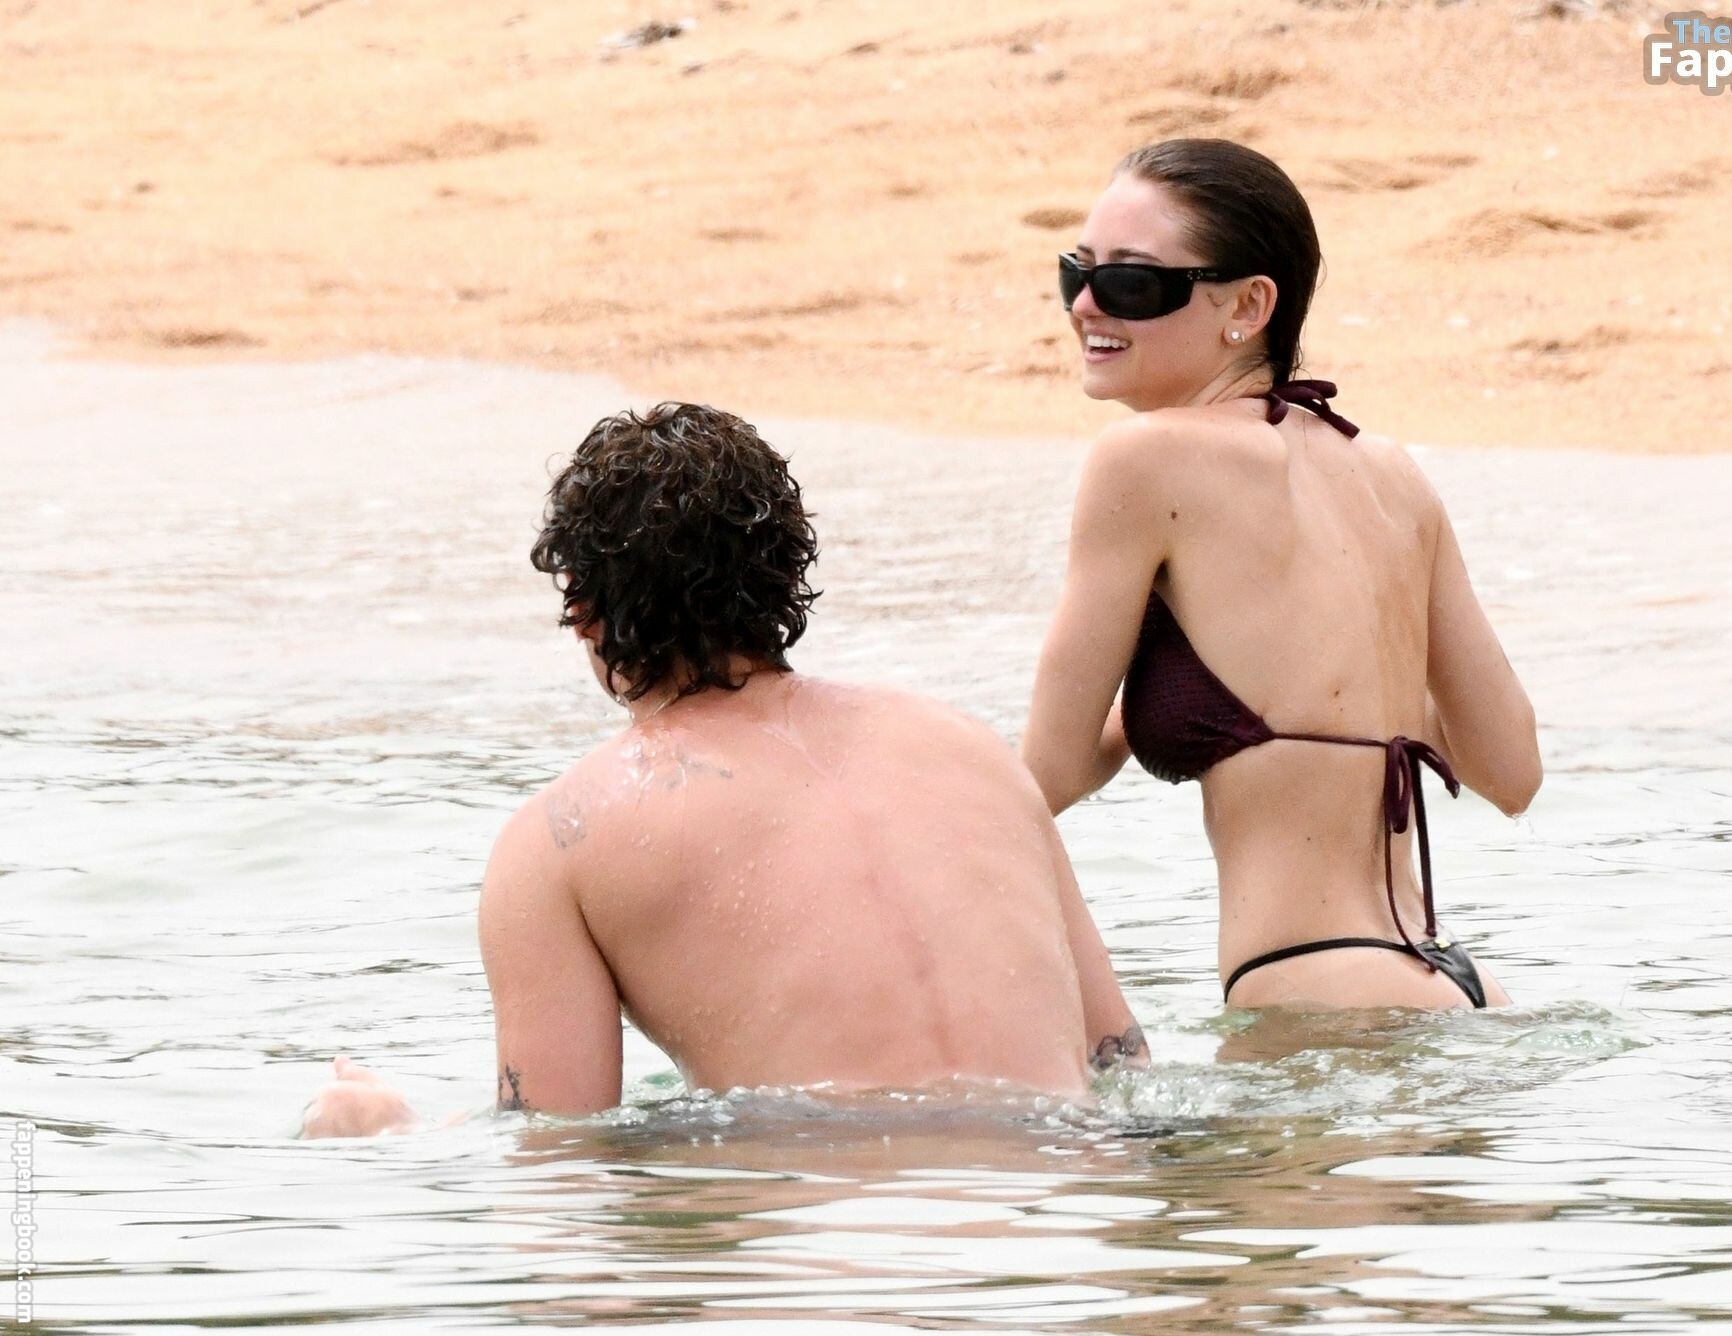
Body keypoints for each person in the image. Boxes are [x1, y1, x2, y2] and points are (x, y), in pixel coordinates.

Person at [301, 403, 1144, 1137]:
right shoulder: (971, 750)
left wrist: (389, 1129)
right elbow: (1122, 1067)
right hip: (1059, 1200)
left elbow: (558, 1161)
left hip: (843, 1234)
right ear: (787, 569)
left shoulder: (561, 842)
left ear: (582, 610)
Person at [1019, 138, 1542, 1013]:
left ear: (1249, 305)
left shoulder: (1142, 460)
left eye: (1133, 282)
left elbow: (1048, 774)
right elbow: (1512, 772)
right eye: (1077, 272)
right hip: (1461, 986)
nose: (1086, 306)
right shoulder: (1389, 472)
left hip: (1310, 988)